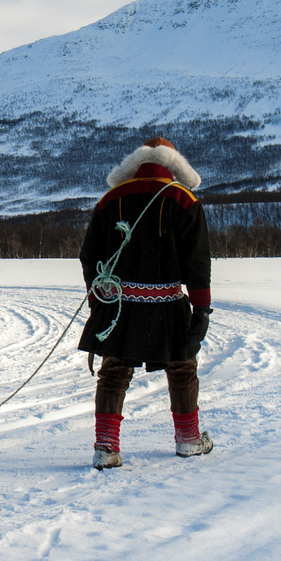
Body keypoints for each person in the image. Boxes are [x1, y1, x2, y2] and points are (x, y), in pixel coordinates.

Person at [77, 136, 213, 470]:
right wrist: (202, 308)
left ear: (135, 165)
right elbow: (198, 263)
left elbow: (89, 256)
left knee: (113, 372)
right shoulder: (184, 198)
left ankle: (105, 448)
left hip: (120, 305)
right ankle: (188, 440)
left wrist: (99, 301)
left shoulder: (110, 199)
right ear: (172, 165)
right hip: (169, 303)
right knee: (182, 368)